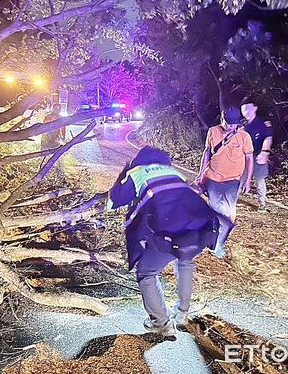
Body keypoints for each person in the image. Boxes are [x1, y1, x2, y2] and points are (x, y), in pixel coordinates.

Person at [108, 146, 233, 336]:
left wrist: (123, 174)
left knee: (147, 274)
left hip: (169, 232)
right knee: (184, 260)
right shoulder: (173, 171)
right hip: (200, 229)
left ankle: (161, 322)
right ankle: (182, 313)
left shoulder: (137, 172)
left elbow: (113, 202)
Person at [197, 106, 254, 226]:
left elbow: (249, 158)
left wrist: (248, 180)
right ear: (222, 119)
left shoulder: (244, 136)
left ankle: (226, 230)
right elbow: (207, 153)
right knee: (214, 206)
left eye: (234, 124)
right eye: (229, 124)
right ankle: (213, 231)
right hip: (213, 177)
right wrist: (201, 174)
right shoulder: (213, 131)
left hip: (233, 180)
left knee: (230, 208)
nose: (232, 127)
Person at [240, 101, 273, 212]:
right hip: (243, 156)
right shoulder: (242, 124)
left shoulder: (263, 123)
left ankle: (262, 204)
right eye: (243, 109)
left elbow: (268, 138)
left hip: (258, 154)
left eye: (248, 109)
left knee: (260, 180)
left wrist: (265, 152)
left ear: (255, 108)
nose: (246, 112)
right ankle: (232, 199)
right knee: (239, 178)